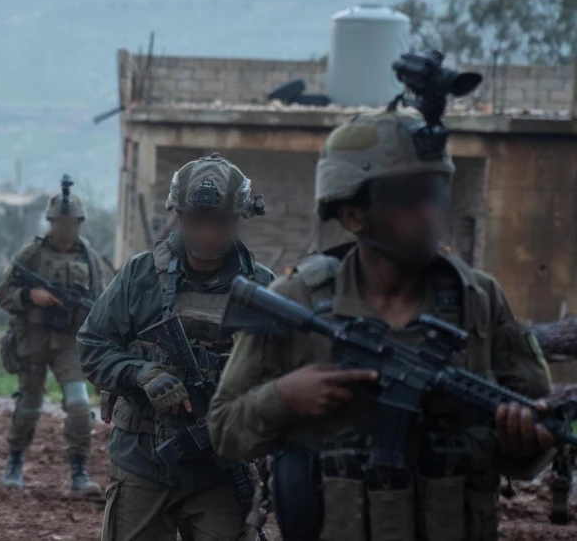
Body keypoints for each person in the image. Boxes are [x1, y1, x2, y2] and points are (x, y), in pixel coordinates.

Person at [208, 108, 555, 541]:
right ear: (354, 215)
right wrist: (282, 398)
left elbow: (537, 437)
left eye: (438, 193)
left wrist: (523, 442)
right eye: (410, 197)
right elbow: (224, 430)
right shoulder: (294, 303)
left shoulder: (479, 301)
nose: (431, 213)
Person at [77, 152, 273, 541]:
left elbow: (282, 380)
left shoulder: (262, 290)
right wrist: (140, 372)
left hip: (221, 469)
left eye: (219, 222)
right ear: (179, 216)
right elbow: (92, 346)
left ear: (237, 220)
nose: (207, 233)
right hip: (142, 461)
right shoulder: (140, 274)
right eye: (195, 220)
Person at [0, 175, 113, 496]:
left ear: (79, 223)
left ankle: (79, 472)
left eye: (71, 223)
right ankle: (15, 464)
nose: (65, 229)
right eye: (60, 222)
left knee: (78, 407)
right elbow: (3, 294)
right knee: (29, 406)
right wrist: (31, 295)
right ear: (51, 222)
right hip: (32, 341)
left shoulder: (88, 258)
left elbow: (101, 302)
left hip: (68, 345)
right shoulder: (30, 255)